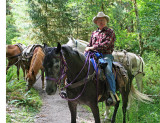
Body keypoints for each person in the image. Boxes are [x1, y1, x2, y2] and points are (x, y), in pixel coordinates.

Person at [85, 12, 117, 105]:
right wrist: (86, 50)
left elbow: (106, 44)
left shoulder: (110, 32)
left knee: (108, 70)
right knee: (84, 67)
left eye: (103, 20)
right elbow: (89, 44)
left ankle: (112, 94)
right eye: (99, 20)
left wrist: (92, 48)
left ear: (106, 21)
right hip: (94, 55)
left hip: (106, 55)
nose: (101, 22)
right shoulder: (94, 33)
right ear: (96, 22)